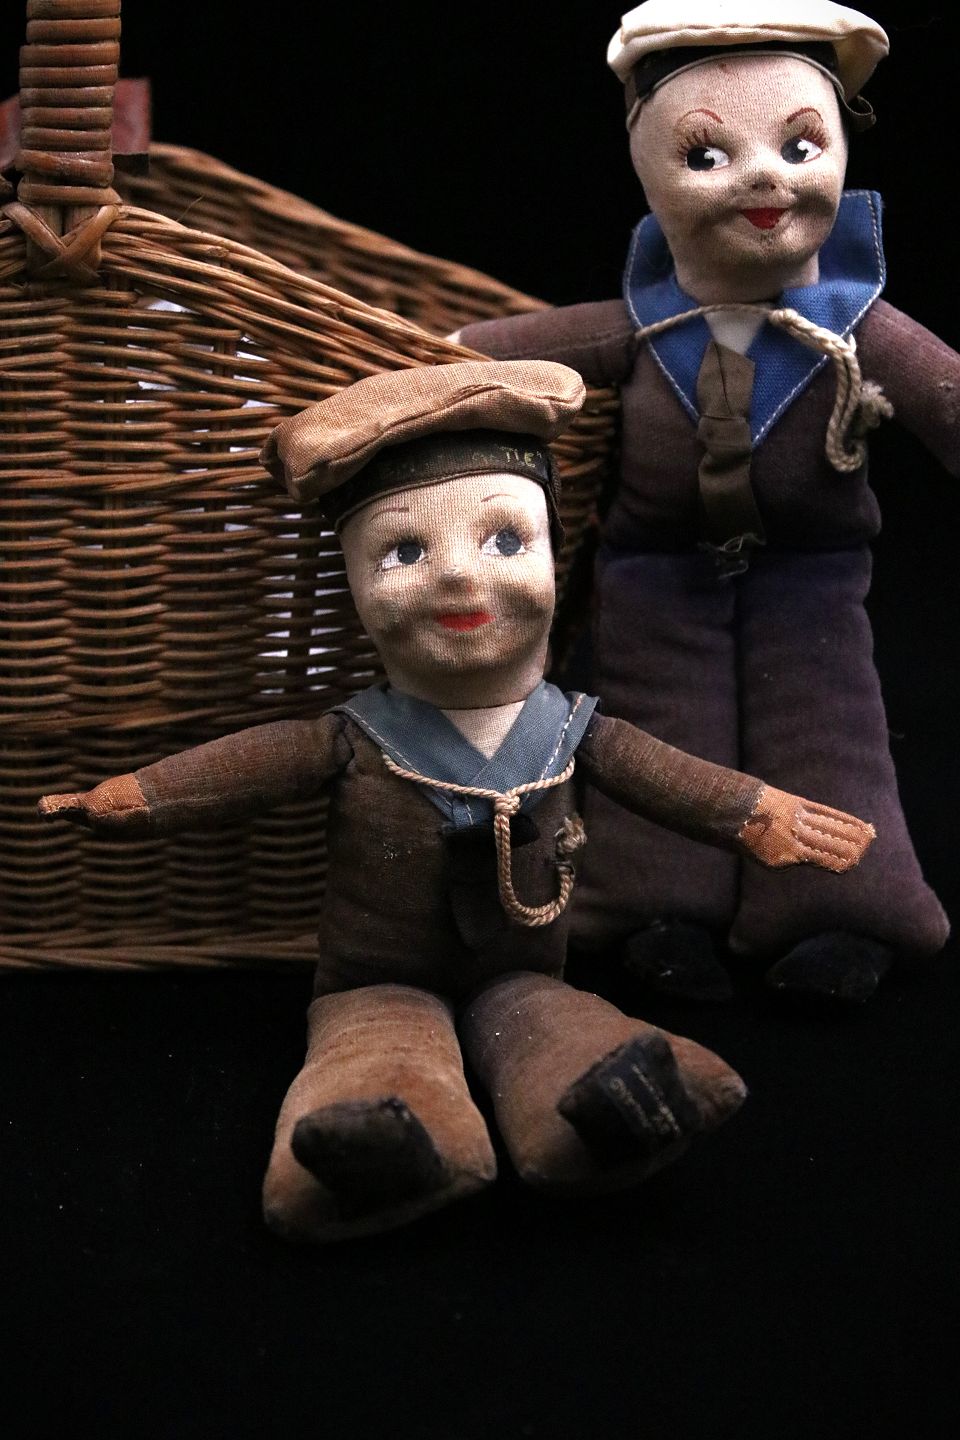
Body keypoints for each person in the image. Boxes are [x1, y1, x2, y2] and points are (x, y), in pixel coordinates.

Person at [40, 360, 873, 1243]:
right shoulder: (356, 734)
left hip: (526, 967)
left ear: (553, 554)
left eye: (505, 540)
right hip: (374, 974)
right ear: (355, 585)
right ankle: (385, 1137)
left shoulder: (572, 728)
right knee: (372, 1044)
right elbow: (252, 764)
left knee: (549, 1021)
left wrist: (754, 812)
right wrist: (136, 797)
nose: (457, 579)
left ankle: (605, 1099)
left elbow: (667, 776)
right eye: (403, 552)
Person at [454, 1, 955, 1006]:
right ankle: (655, 911)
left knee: (829, 727)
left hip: (812, 573)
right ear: (647, 168)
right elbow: (483, 353)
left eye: (800, 146)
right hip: (656, 573)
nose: (767, 178)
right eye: (708, 156)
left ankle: (841, 911)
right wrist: (424, 363)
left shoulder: (855, 324)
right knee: (657, 740)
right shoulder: (642, 323)